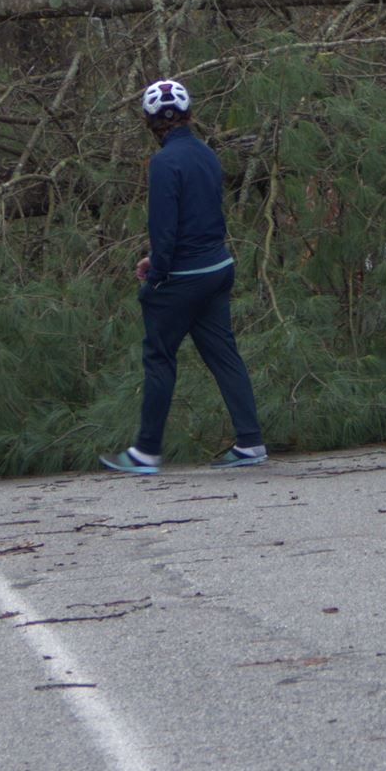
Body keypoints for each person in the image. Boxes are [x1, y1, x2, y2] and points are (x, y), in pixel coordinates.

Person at [101, 79, 268, 475]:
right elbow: (204, 216)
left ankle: (145, 452)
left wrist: (156, 273)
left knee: (160, 357)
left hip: (183, 276)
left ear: (149, 121)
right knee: (224, 356)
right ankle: (250, 442)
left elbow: (165, 226)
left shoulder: (162, 163)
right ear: (190, 113)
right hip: (217, 269)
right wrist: (158, 257)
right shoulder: (208, 156)